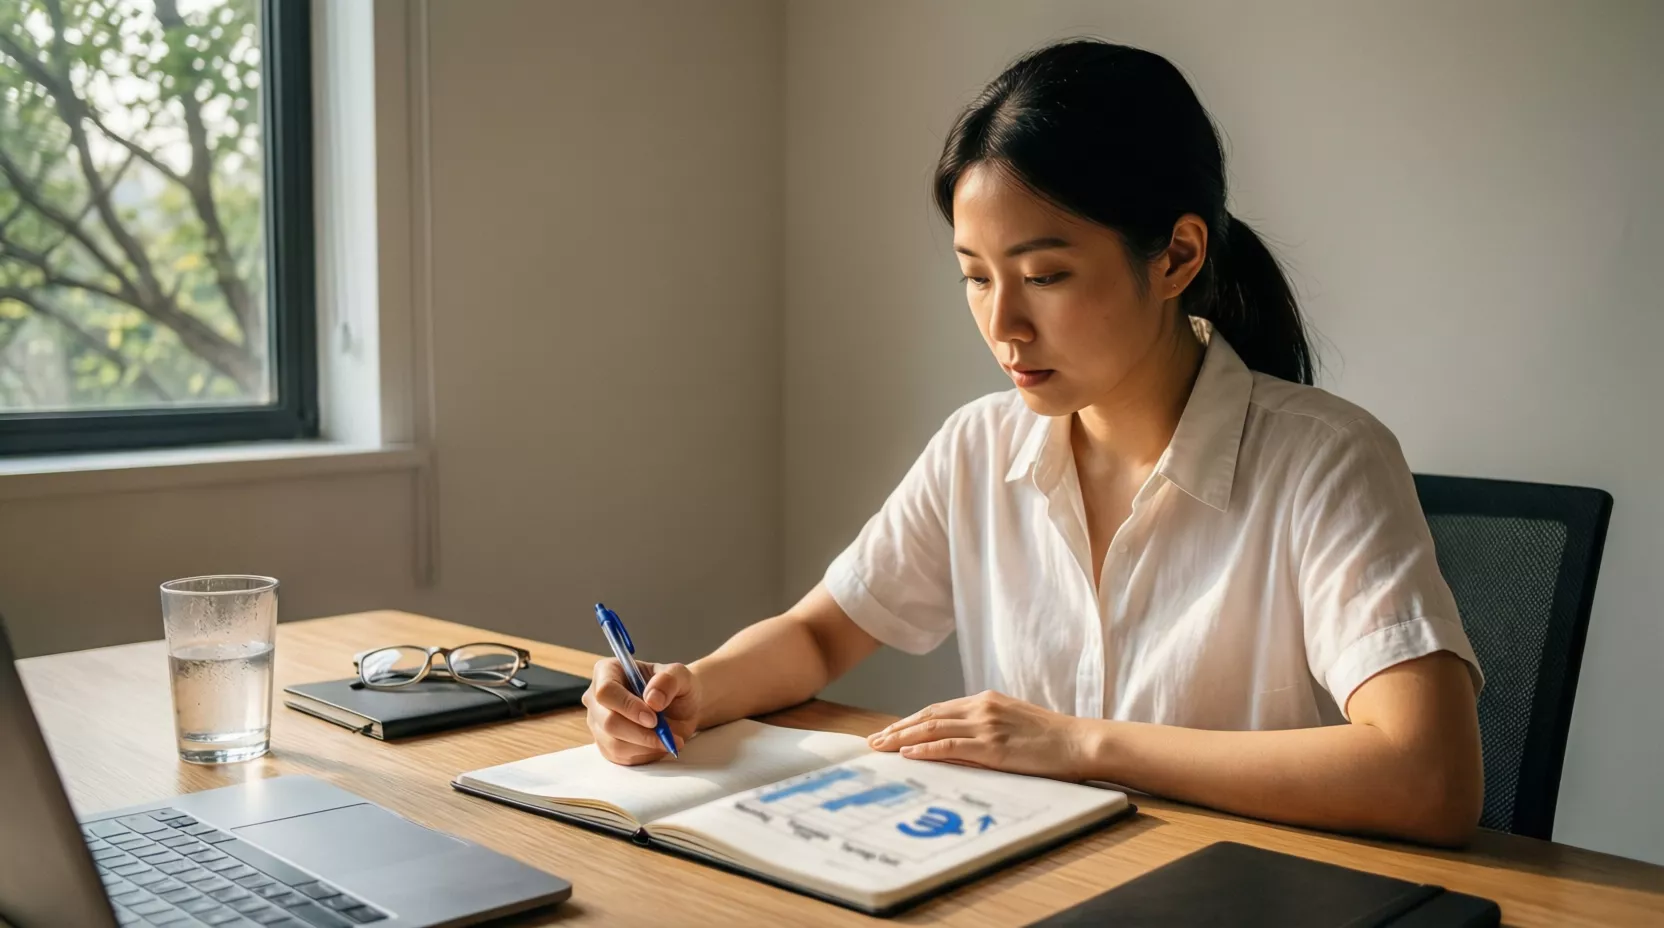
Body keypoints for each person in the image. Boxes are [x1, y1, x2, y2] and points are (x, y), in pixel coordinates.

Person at [581, 39, 1485, 847]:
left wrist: (1075, 745)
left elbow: (1429, 778)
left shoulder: (1324, 460)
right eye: (975, 278)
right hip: (1037, 885)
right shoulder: (980, 447)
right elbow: (820, 637)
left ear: (1176, 255)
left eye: (1045, 275)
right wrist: (692, 690)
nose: (1003, 324)